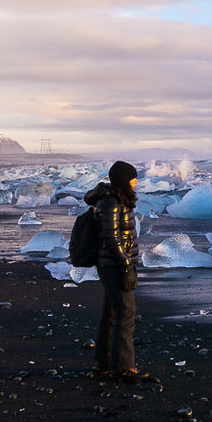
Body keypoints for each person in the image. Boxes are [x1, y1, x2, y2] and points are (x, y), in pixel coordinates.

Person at [83, 160, 148, 383]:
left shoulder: (115, 200)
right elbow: (112, 238)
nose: (136, 181)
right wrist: (126, 266)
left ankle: (103, 364)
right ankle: (123, 368)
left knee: (111, 312)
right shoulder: (110, 202)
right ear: (124, 180)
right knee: (126, 312)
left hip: (114, 263)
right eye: (133, 177)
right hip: (114, 264)